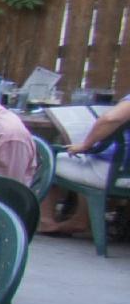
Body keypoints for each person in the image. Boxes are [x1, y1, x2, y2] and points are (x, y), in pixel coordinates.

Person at [41, 96, 130, 237]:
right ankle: (80, 218)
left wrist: (86, 144)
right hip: (122, 173)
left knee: (47, 159)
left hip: (114, 172)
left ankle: (46, 221)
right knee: (85, 159)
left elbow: (111, 119)